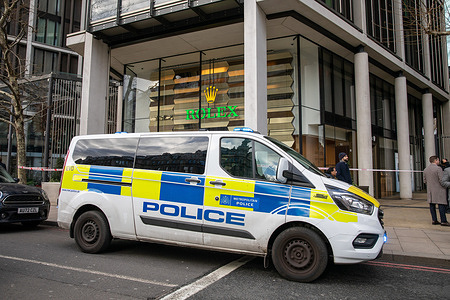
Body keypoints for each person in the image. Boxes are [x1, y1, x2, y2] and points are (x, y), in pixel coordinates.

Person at [423, 156, 449, 226]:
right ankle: (443, 220)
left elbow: (424, 181)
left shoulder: (426, 169)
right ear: (436, 160)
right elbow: (442, 180)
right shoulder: (438, 169)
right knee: (441, 205)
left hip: (430, 190)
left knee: (432, 205)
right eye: (438, 160)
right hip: (439, 189)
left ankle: (434, 220)